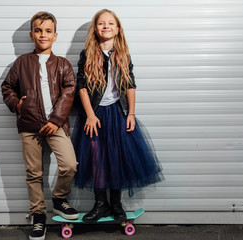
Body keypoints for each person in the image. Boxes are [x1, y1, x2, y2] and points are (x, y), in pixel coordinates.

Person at [72, 9, 164, 224]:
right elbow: (82, 87)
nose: (106, 26)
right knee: (96, 159)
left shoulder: (123, 54)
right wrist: (90, 115)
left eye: (110, 23)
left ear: (118, 29)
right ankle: (100, 203)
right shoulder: (87, 54)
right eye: (101, 23)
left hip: (117, 112)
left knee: (116, 158)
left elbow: (130, 84)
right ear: (95, 28)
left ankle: (116, 203)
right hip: (95, 114)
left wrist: (130, 113)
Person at [1, 11, 79, 240]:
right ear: (31, 34)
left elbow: (69, 91)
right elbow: (7, 88)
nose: (43, 35)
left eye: (48, 31)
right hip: (29, 125)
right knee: (34, 173)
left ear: (55, 36)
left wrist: (56, 121)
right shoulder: (21, 62)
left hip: (56, 125)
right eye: (38, 30)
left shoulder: (63, 64)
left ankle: (59, 199)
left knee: (70, 164)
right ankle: (38, 216)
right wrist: (17, 104)